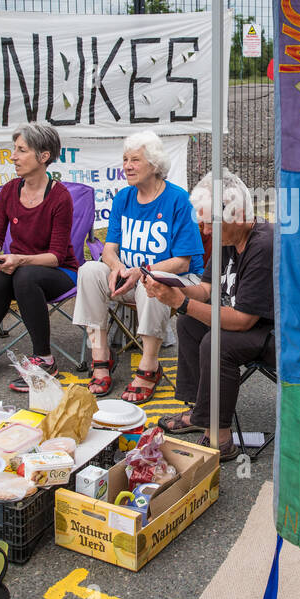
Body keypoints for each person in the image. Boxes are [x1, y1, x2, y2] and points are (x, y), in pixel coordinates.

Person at [148, 169, 273, 456]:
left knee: (216, 342)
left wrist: (180, 302)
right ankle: (200, 412)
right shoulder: (227, 240)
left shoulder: (263, 245)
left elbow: (242, 321)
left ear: (237, 215)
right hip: (252, 325)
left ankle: (221, 436)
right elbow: (206, 290)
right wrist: (170, 286)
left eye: (210, 224)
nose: (205, 232)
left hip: (281, 334)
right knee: (189, 323)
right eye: (202, 223)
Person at [73, 130, 202, 403]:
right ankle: (101, 357)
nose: (127, 166)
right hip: (127, 278)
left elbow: (183, 261)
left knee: (154, 280)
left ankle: (149, 367)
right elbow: (109, 249)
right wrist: (117, 265)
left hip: (176, 282)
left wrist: (140, 272)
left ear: (154, 165)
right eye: (125, 160)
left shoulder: (178, 200)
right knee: (89, 271)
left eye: (135, 160)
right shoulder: (124, 198)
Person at [0, 123, 79, 388]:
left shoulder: (60, 197)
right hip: (20, 269)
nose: (13, 157)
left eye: (21, 150)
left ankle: (44, 359)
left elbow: (56, 256)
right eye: (14, 150)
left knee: (24, 275)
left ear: (44, 156)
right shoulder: (9, 190)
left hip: (60, 272)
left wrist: (20, 260)